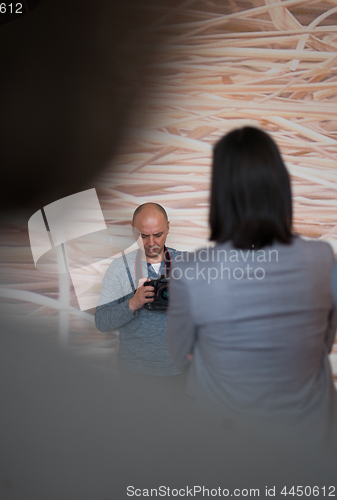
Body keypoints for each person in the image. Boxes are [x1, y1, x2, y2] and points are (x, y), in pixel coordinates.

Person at [167, 126, 337, 437]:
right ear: (280, 185)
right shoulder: (323, 257)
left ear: (219, 194)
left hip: (229, 448)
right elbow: (324, 343)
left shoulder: (190, 271)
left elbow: (181, 358)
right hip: (312, 444)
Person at [95, 202, 182, 376]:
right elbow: (101, 322)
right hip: (134, 373)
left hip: (180, 372)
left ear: (168, 227)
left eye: (158, 234)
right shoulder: (120, 268)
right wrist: (133, 303)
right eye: (143, 236)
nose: (151, 243)